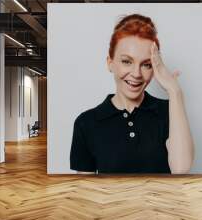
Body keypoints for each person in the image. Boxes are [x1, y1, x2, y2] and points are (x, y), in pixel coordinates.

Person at [70, 13, 194, 174]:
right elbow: (85, 191)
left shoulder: (169, 111)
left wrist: (175, 91)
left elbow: (181, 169)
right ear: (110, 63)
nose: (136, 74)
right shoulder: (86, 123)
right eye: (127, 61)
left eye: (146, 65)